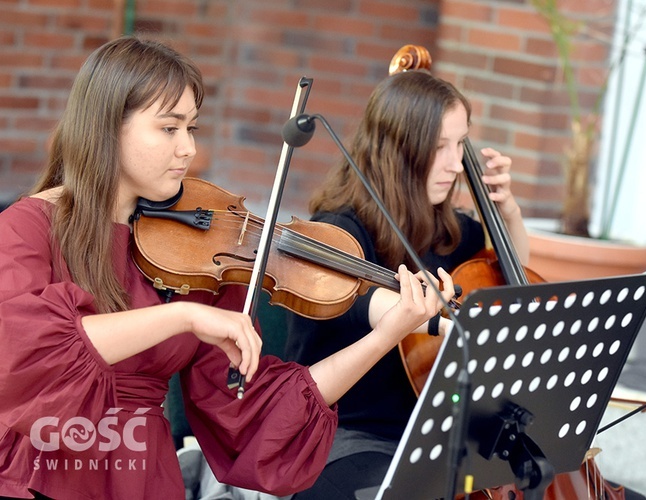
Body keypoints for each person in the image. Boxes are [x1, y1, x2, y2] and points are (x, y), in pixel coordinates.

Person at [0, 36, 456, 500]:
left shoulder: (196, 255)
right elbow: (24, 356)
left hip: (141, 475)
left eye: (191, 129)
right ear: (106, 126)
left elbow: (257, 412)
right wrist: (180, 317)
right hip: (43, 470)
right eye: (169, 128)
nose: (187, 151)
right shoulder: (28, 228)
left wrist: (386, 335)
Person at [284, 69, 530, 499]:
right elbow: (372, 308)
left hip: (427, 438)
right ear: (398, 148)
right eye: (439, 148)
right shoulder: (339, 233)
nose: (456, 164)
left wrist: (507, 213)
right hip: (342, 439)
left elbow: (511, 283)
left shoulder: (445, 228)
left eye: (461, 144)